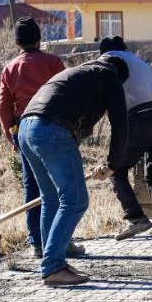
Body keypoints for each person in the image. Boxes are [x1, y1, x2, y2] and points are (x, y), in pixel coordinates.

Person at [18, 54, 129, 286]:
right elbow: (121, 126)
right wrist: (112, 164)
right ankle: (53, 267)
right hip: (50, 129)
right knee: (76, 200)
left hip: (26, 129)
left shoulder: (80, 74)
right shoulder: (110, 77)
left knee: (52, 200)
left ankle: (53, 262)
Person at [0, 17, 70, 258]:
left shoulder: (10, 69)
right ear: (40, 39)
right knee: (62, 185)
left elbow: (3, 105)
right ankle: (62, 241)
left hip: (25, 128)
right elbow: (67, 92)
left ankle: (37, 243)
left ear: (17, 42)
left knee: (33, 186)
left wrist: (11, 134)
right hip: (54, 125)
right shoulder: (54, 62)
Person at [97, 36, 152, 239]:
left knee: (116, 169)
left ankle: (135, 217)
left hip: (140, 119)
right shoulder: (139, 61)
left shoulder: (107, 60)